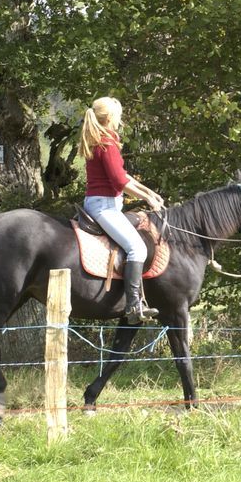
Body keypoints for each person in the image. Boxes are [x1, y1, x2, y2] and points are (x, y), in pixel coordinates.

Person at [79, 96, 164, 323]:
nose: (120, 120)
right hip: (105, 207)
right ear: (111, 117)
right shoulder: (106, 143)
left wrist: (149, 193)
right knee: (137, 248)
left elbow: (122, 176)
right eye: (118, 115)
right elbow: (119, 181)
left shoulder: (101, 140)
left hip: (102, 203)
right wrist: (149, 200)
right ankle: (133, 306)